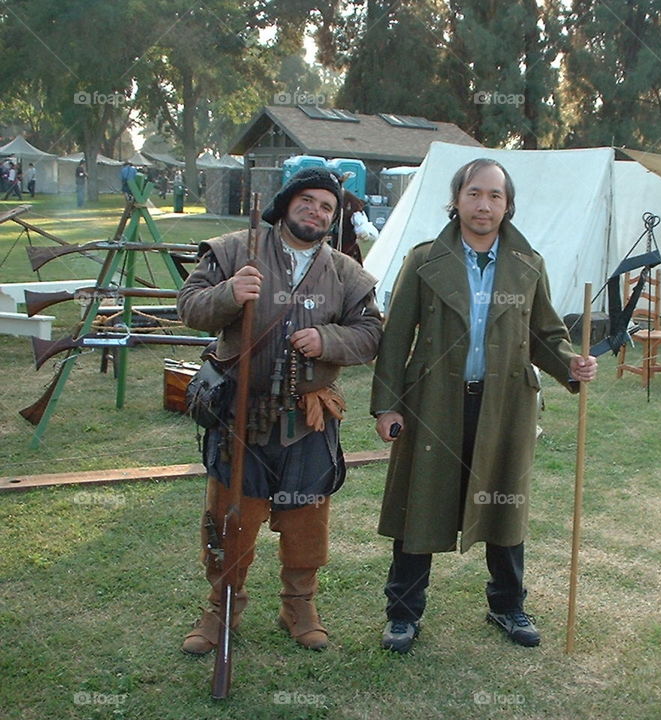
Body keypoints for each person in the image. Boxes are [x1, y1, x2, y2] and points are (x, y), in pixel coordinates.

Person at [370, 158, 598, 654]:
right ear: (456, 200)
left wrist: (570, 366)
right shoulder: (424, 260)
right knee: (419, 504)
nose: (484, 204)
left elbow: (545, 335)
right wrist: (388, 406)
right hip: (432, 403)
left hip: (505, 407)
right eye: (474, 193)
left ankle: (508, 606)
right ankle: (403, 614)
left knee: (504, 506)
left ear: (507, 205)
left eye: (495, 196)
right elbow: (395, 339)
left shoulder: (527, 264)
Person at [177, 168, 383, 654]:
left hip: (308, 417)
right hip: (239, 412)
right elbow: (188, 306)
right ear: (286, 203)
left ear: (334, 219)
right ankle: (221, 605)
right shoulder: (232, 250)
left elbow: (372, 333)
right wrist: (229, 294)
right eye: (307, 201)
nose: (316, 211)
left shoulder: (346, 271)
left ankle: (299, 603)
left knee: (307, 517)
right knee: (232, 515)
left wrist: (327, 339)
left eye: (327, 207)